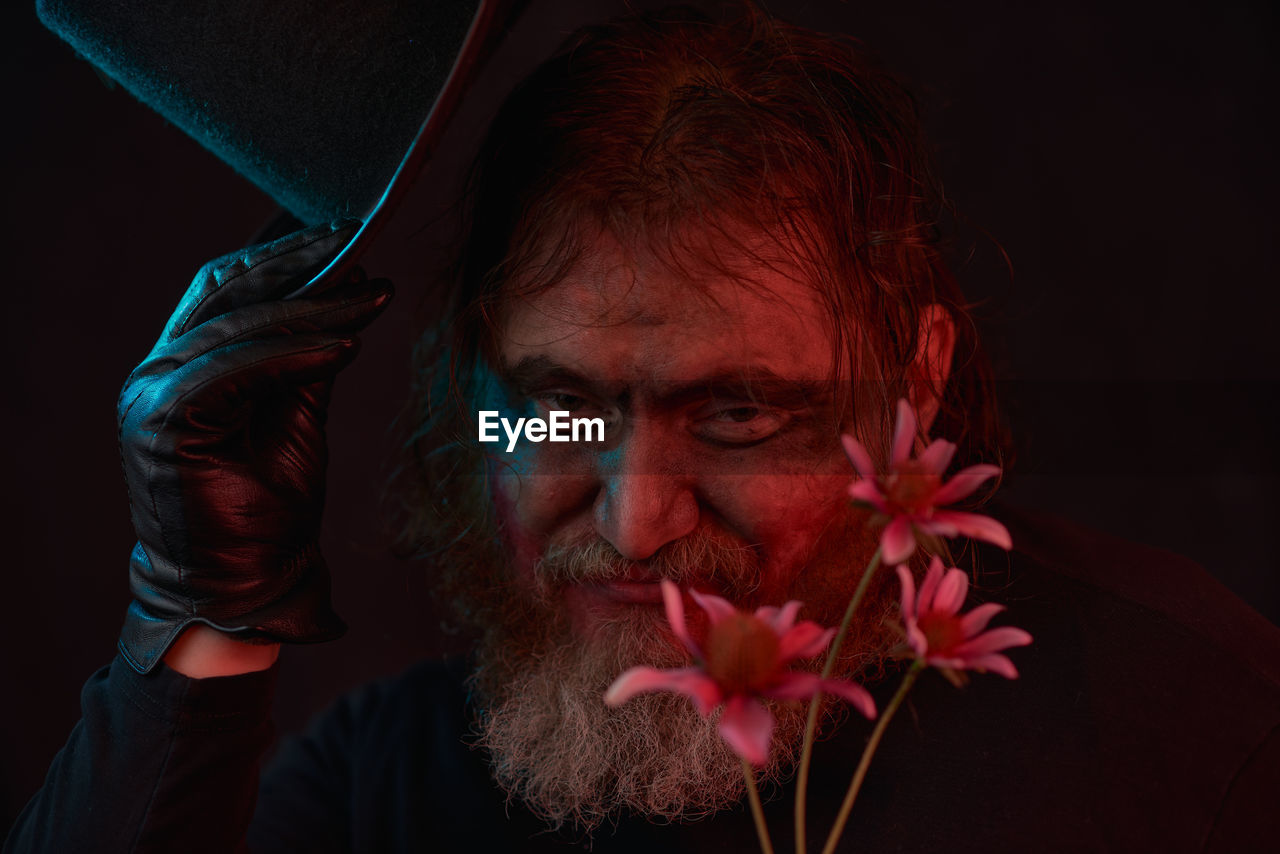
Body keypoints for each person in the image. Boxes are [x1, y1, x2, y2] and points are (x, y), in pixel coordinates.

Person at [6, 6, 1278, 853]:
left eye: (735, 413)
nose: (632, 520)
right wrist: (198, 621)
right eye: (554, 407)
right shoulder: (382, 786)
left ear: (915, 375)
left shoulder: (1193, 734)